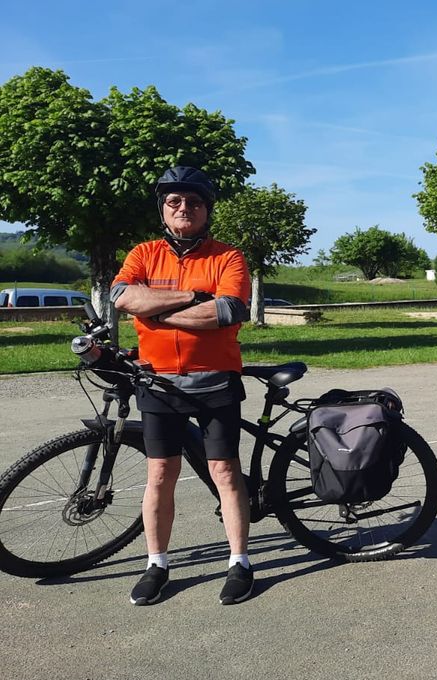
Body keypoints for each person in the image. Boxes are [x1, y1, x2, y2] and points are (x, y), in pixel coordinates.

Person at [111, 166, 252, 606]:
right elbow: (121, 297)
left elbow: (227, 312)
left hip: (215, 381)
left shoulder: (228, 257)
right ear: (163, 210)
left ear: (206, 210)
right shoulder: (144, 253)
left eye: (193, 202)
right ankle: (157, 562)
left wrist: (154, 311)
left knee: (225, 472)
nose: (183, 208)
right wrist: (194, 297)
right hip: (158, 381)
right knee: (160, 474)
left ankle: (240, 562)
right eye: (174, 202)